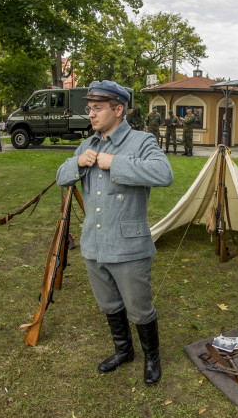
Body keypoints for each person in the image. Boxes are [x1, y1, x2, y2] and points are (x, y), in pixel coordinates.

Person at [56, 81, 173, 385]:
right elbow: (60, 177)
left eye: (97, 108)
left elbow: (164, 174)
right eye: (90, 108)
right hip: (95, 244)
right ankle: (124, 351)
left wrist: (114, 162)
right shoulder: (88, 143)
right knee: (109, 304)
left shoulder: (141, 141)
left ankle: (151, 358)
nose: (90, 114)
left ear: (118, 109)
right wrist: (77, 162)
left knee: (139, 308)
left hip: (128, 245)